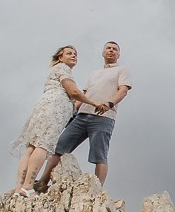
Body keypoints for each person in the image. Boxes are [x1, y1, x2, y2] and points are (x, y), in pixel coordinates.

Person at [12, 45, 95, 192]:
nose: (74, 55)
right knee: (43, 145)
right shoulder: (63, 69)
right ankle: (28, 186)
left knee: (31, 147)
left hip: (43, 107)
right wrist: (94, 103)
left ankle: (20, 186)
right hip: (55, 108)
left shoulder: (55, 70)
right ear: (60, 57)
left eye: (75, 54)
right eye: (69, 53)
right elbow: (73, 91)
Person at [47, 40, 130, 185]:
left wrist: (109, 104)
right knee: (59, 147)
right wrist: (72, 112)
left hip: (103, 117)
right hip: (82, 116)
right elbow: (84, 94)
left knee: (100, 155)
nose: (111, 50)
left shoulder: (121, 70)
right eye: (108, 48)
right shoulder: (95, 73)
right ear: (103, 52)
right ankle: (42, 181)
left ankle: (97, 189)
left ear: (119, 54)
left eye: (114, 49)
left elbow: (123, 91)